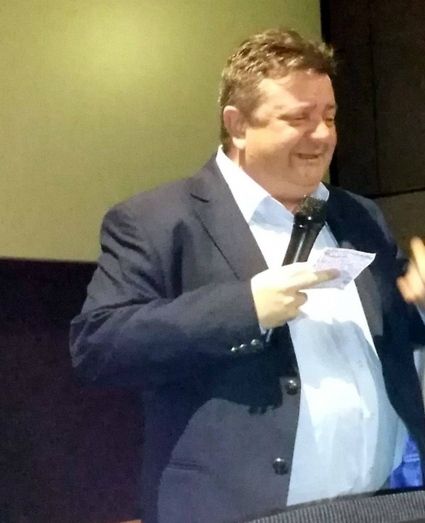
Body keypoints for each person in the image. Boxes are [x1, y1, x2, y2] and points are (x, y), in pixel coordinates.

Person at [70, 29, 425, 523]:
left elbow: (396, 337)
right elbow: (99, 346)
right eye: (299, 118)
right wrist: (247, 308)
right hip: (236, 512)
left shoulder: (358, 215)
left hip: (384, 505)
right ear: (237, 126)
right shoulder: (160, 220)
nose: (323, 135)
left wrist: (419, 304)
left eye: (329, 117)